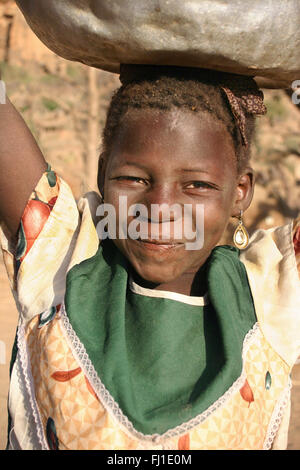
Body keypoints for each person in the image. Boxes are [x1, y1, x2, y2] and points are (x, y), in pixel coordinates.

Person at [0, 65, 299, 451]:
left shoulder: (271, 294)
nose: (160, 209)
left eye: (198, 185)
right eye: (134, 179)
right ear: (102, 172)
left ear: (240, 190)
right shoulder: (61, 263)